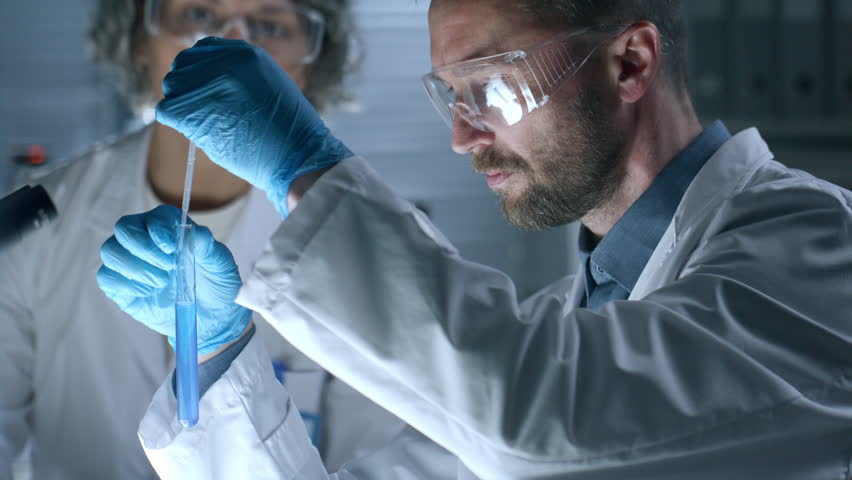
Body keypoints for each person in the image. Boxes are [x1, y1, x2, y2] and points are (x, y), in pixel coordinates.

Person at [97, 0, 852, 478]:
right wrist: (216, 351)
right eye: (449, 96)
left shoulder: (816, 248)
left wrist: (305, 171)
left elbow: (554, 435)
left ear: (630, 62)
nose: (462, 136)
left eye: (490, 86)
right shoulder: (576, 325)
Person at [0, 0, 407, 478]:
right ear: (139, 41)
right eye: (196, 14)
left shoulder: (358, 251)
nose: (232, 41)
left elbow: (374, 461)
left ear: (313, 60)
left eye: (270, 25)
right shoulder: (30, 220)